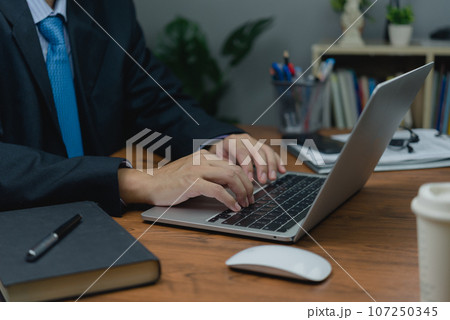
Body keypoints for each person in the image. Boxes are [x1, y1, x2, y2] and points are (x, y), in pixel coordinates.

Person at [0, 0, 285, 216]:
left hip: (103, 220)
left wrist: (220, 141)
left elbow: (153, 99)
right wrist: (135, 182)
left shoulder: (109, 7)